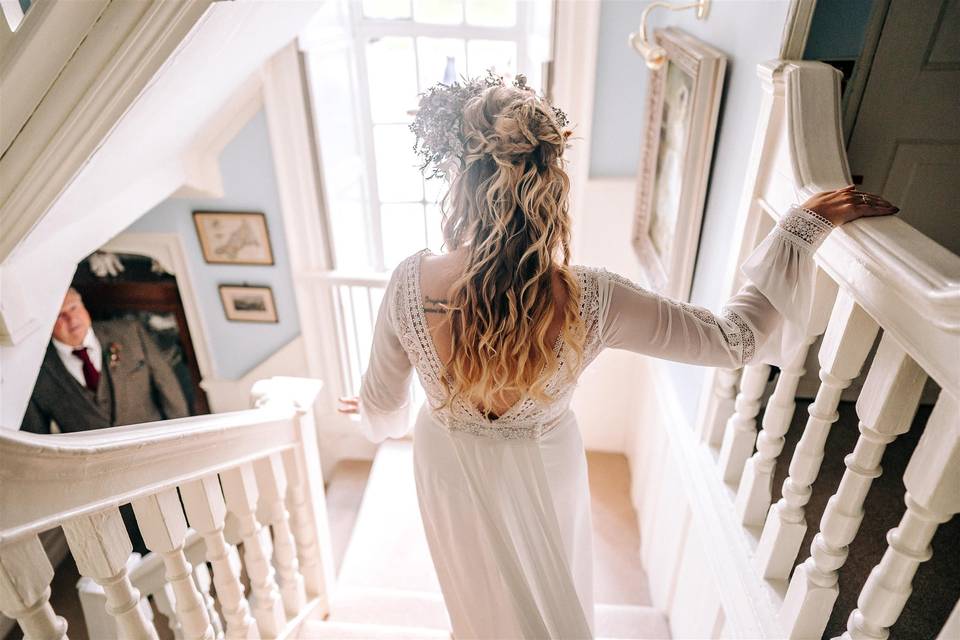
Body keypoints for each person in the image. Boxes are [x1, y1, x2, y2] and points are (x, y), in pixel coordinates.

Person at [337, 72, 898, 639]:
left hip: (446, 469)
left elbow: (383, 412)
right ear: (550, 186)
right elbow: (734, 340)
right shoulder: (593, 298)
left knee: (475, 600)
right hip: (544, 466)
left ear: (459, 183)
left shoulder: (409, 284)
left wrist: (368, 409)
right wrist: (800, 231)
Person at [21, 287, 190, 435]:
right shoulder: (35, 370)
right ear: (46, 323)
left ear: (83, 306)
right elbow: (36, 438)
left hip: (154, 448)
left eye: (73, 308)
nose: (71, 319)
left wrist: (182, 439)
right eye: (59, 315)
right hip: (97, 467)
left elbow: (169, 389)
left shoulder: (130, 333)